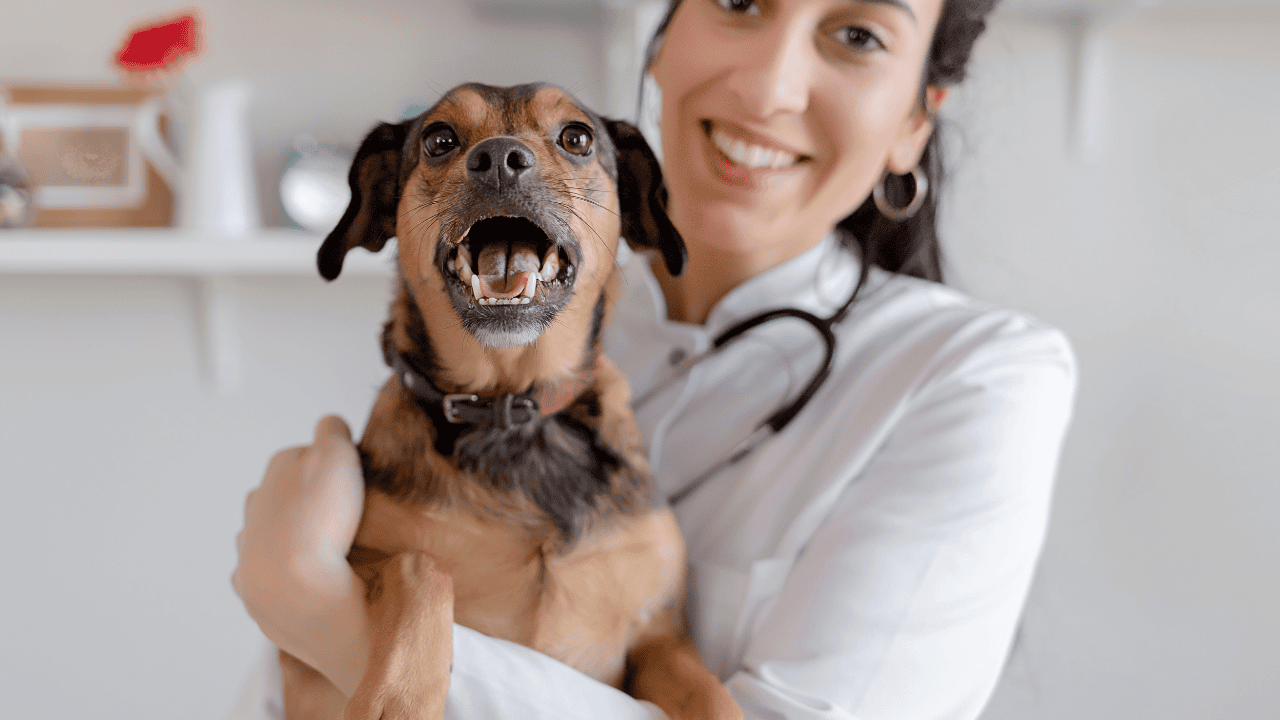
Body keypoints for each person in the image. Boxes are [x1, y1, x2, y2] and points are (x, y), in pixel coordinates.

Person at [230, 0, 1077, 718]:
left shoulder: (984, 375)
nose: (768, 87)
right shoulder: (521, 326)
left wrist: (320, 608)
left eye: (859, 34)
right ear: (663, 40)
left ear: (915, 120)